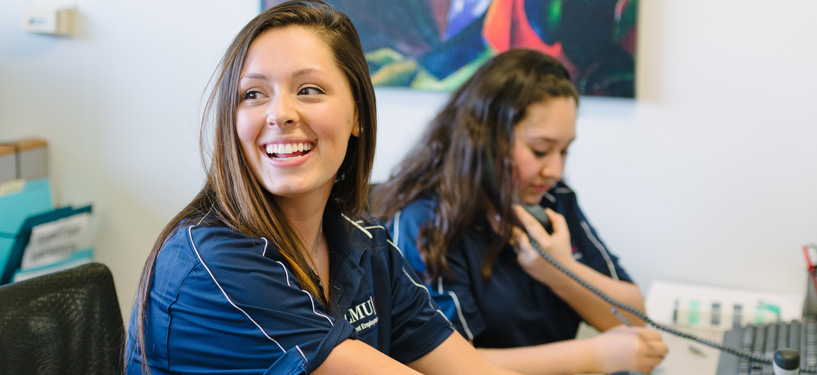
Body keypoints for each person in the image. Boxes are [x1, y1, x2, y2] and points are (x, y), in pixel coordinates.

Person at [124, 2, 523, 374]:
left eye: (309, 90)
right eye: (253, 94)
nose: (280, 114)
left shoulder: (364, 242)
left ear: (358, 116)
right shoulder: (212, 262)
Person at [371, 49, 669, 375]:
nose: (554, 170)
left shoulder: (554, 201)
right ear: (486, 140)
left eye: (564, 151)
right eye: (540, 150)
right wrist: (593, 356)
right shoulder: (424, 222)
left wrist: (559, 271)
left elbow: (634, 317)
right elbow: (444, 364)